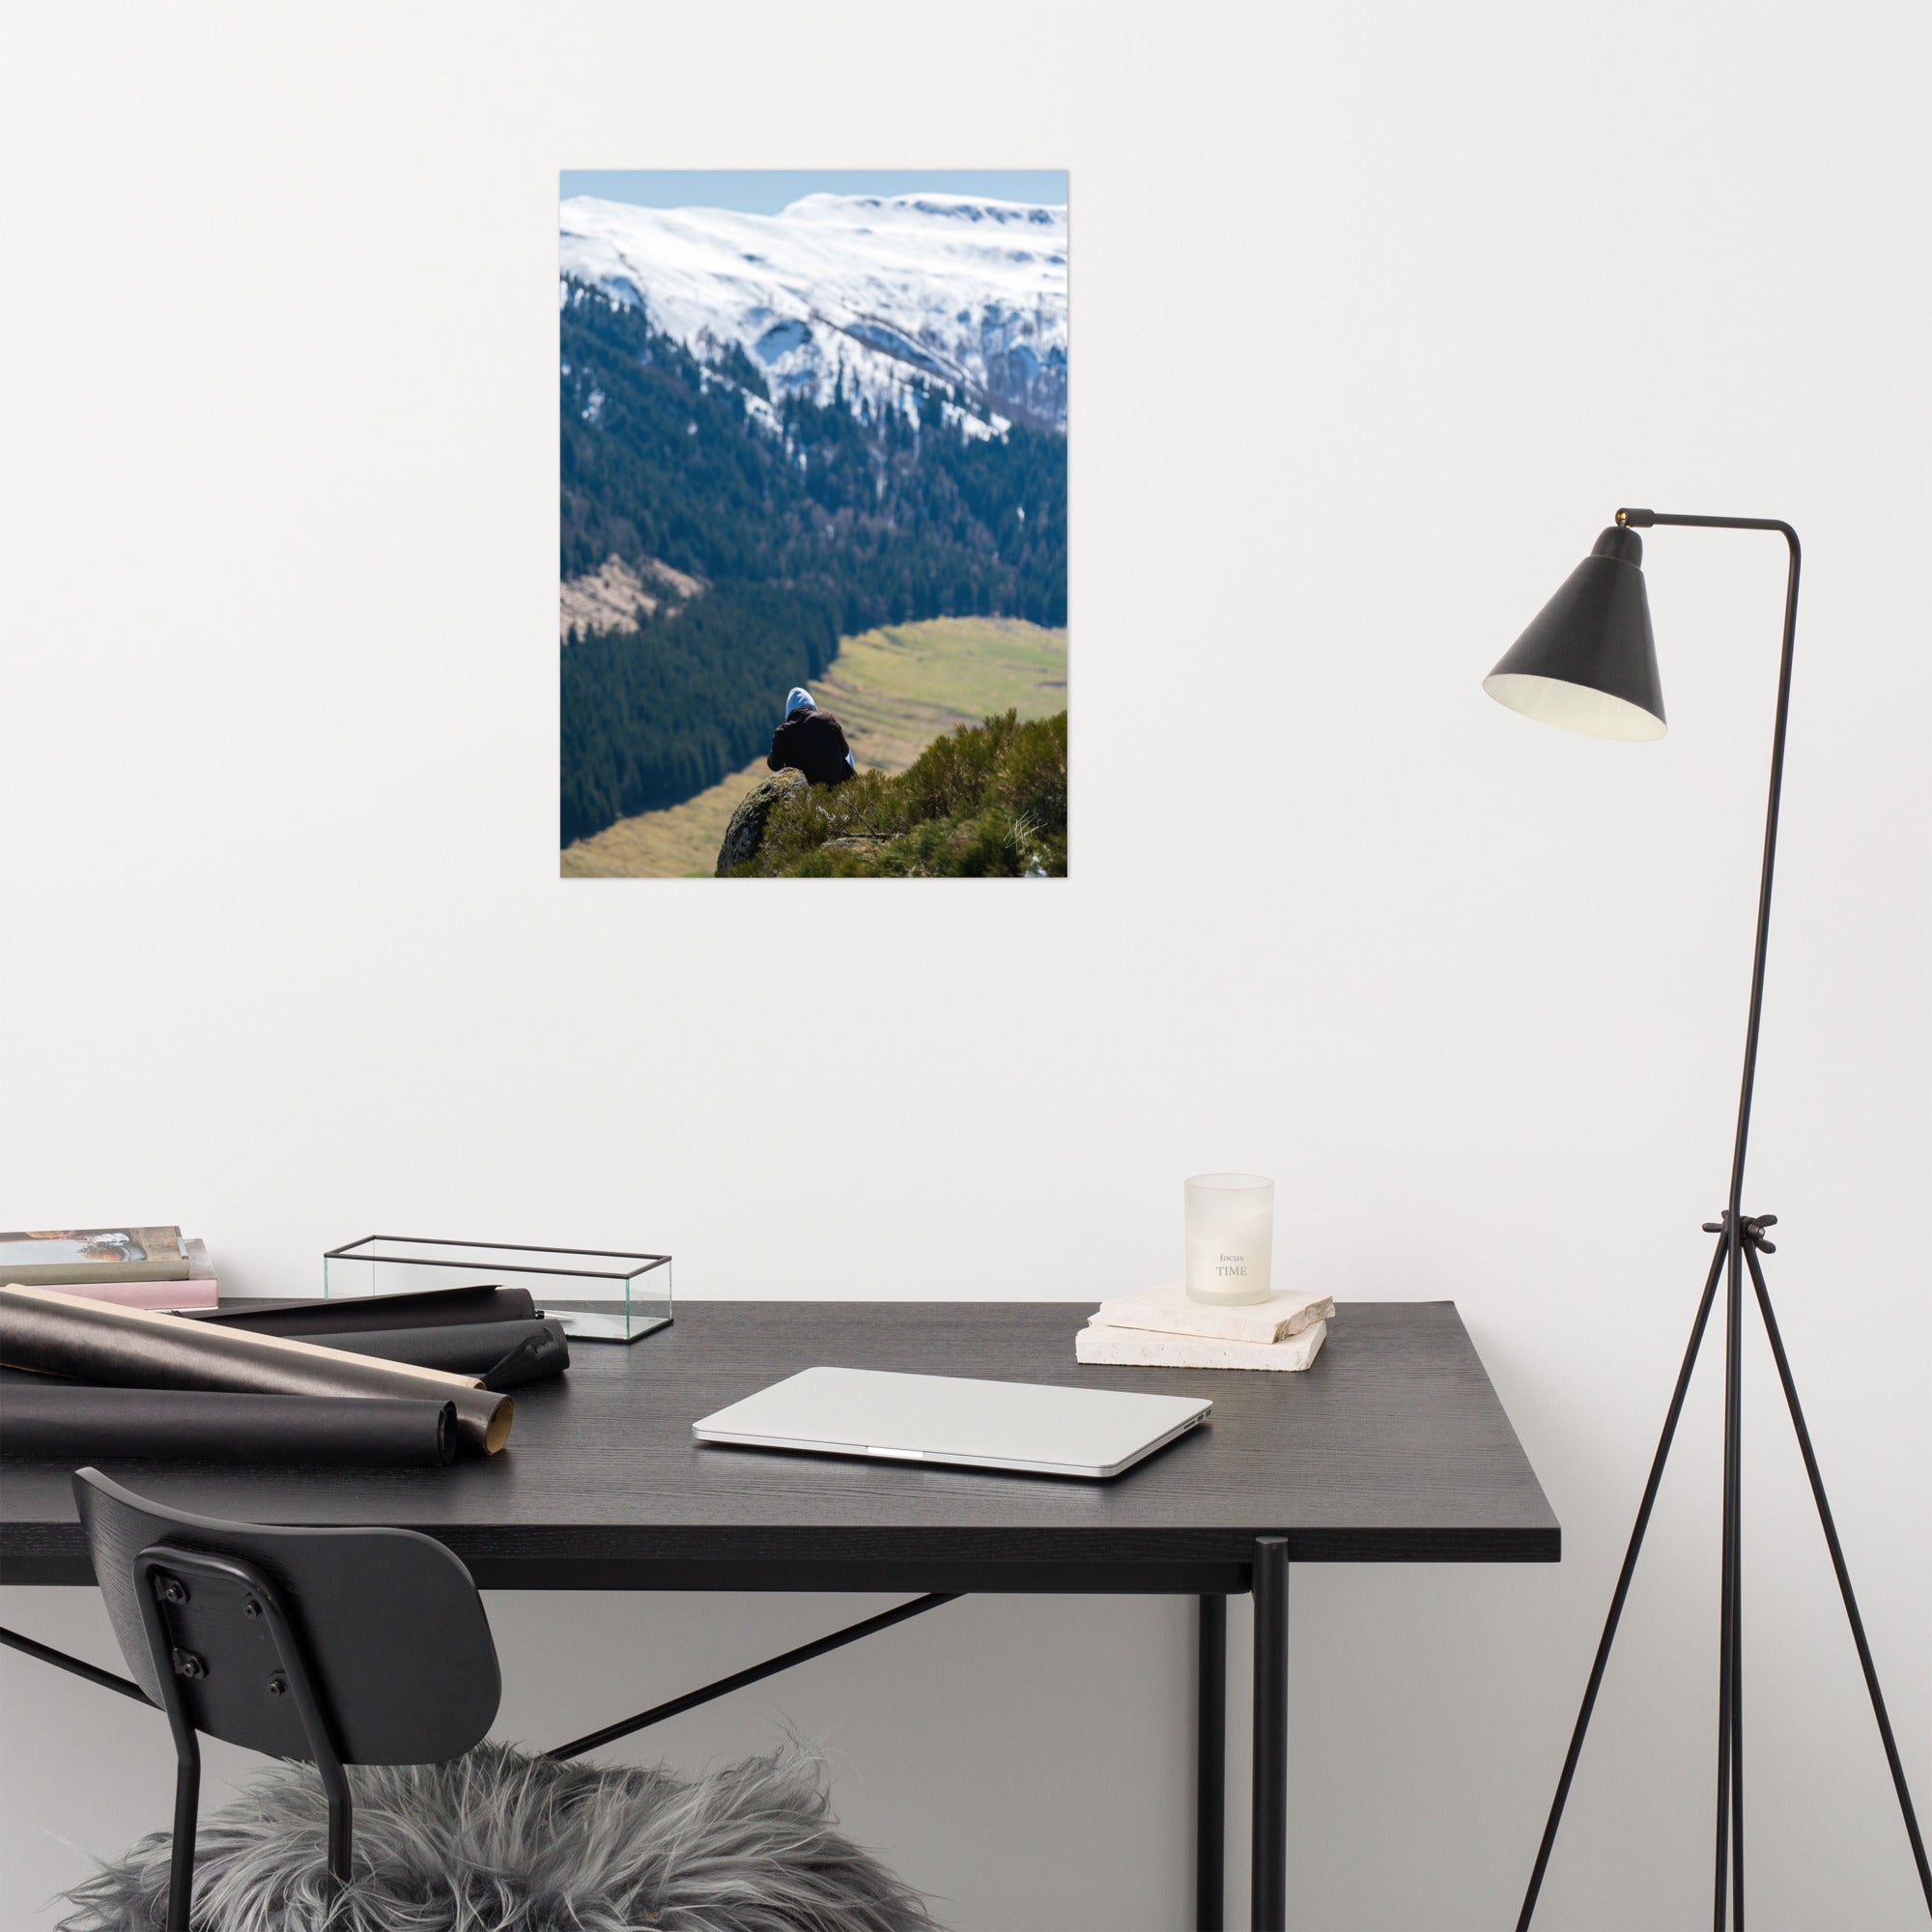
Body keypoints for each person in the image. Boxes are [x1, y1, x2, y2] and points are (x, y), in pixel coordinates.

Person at [766, 685, 855, 785]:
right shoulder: (827, 719)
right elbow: (845, 751)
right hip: (836, 788)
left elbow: (775, 765)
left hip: (804, 793)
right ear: (811, 704)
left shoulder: (783, 732)